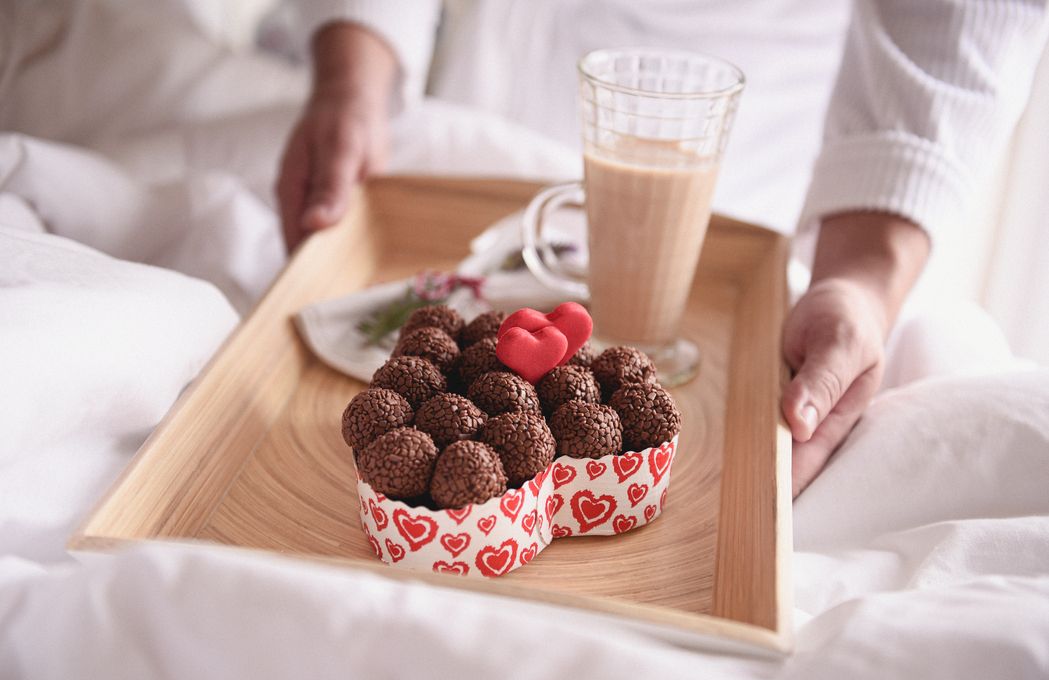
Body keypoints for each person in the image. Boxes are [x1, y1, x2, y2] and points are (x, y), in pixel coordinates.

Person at [271, 0, 1049, 498]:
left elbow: (957, 23)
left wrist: (864, 278)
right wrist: (351, 78)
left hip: (751, 187)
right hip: (441, 128)